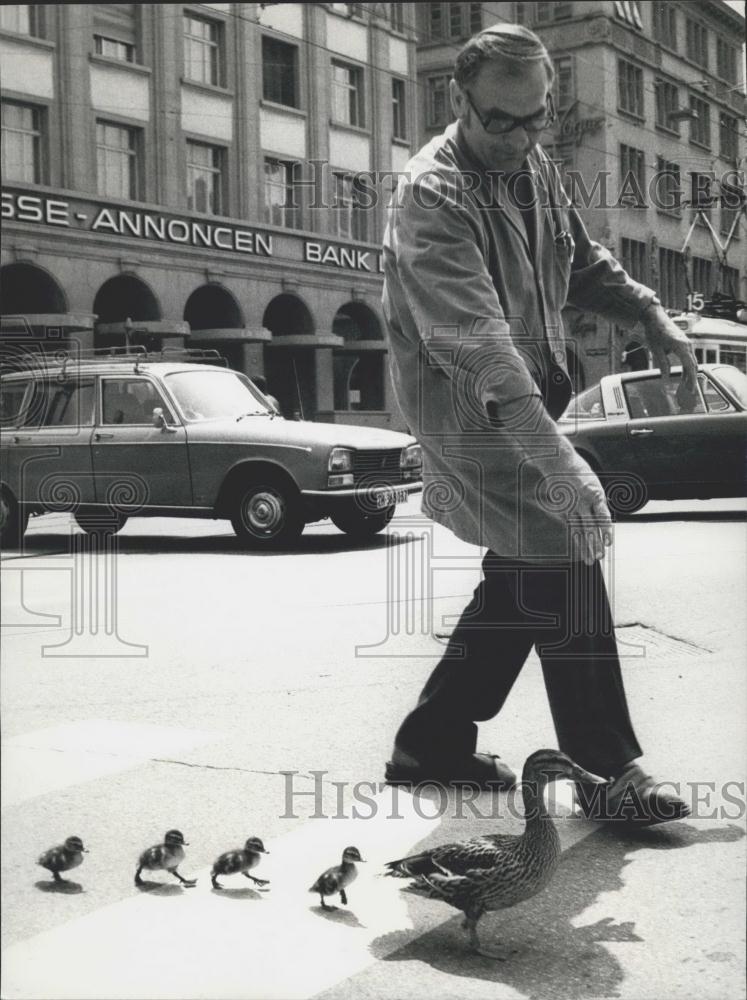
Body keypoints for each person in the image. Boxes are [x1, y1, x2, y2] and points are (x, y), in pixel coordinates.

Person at [381, 24, 696, 824]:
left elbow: (580, 259)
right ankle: (605, 767)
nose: (521, 139)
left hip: (524, 400)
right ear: (458, 99)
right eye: (502, 122)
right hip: (467, 410)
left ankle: (431, 741)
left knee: (523, 575)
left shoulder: (533, 166)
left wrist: (649, 312)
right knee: (563, 538)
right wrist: (558, 460)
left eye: (537, 119)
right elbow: (475, 340)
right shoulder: (431, 193)